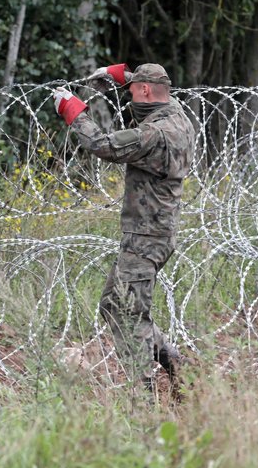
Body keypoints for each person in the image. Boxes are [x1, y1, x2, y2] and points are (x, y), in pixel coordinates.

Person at [52, 63, 195, 393]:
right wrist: (122, 79)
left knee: (128, 315)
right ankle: (172, 359)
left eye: (134, 89)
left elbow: (104, 144)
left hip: (146, 237)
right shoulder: (176, 114)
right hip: (152, 233)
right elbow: (150, 96)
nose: (130, 93)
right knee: (115, 306)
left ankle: (144, 395)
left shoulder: (155, 134)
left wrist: (73, 110)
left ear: (146, 91)